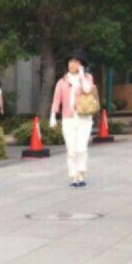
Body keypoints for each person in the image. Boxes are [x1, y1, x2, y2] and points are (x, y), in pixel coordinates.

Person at [50, 49, 96, 188]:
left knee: (81, 148)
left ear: (81, 64)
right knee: (71, 149)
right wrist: (53, 116)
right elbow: (56, 100)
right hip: (68, 119)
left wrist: (81, 75)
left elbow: (87, 90)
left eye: (75, 62)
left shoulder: (87, 78)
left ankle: (81, 174)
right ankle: (74, 176)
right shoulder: (62, 81)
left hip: (84, 118)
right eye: (70, 61)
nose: (72, 64)